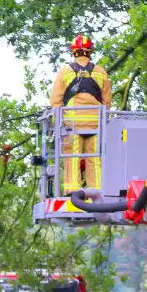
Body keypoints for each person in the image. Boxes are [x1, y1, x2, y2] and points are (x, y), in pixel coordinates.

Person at [49, 34, 112, 196]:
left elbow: (56, 102)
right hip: (96, 126)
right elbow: (107, 103)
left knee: (71, 159)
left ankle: (72, 190)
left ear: (73, 52)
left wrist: (59, 124)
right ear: (90, 51)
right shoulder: (101, 72)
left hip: (71, 126)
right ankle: (96, 191)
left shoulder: (65, 72)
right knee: (95, 160)